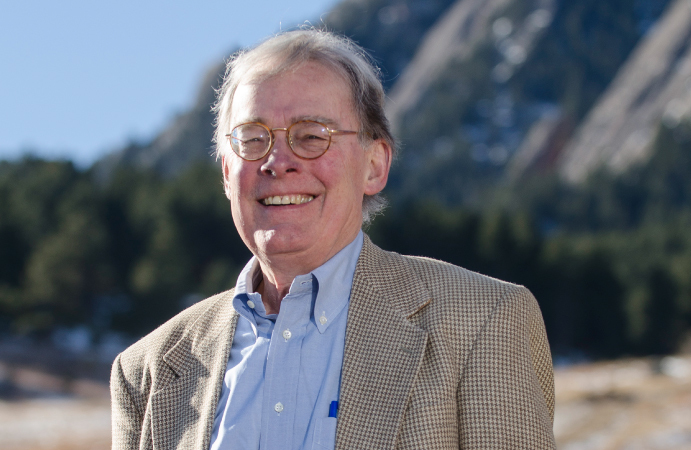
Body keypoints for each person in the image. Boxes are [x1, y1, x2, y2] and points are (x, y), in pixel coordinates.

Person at [110, 29, 556, 450]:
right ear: (228, 173)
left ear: (374, 166)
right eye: (253, 138)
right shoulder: (146, 372)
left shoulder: (483, 321)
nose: (278, 162)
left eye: (311, 136)